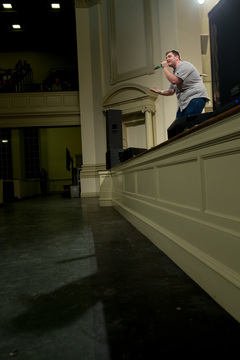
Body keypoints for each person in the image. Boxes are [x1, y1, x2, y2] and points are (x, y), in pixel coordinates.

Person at [150, 50, 209, 118]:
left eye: (169, 56)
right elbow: (171, 91)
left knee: (187, 124)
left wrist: (165, 67)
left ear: (177, 57)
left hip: (195, 98)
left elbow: (174, 81)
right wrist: (160, 92)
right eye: (166, 58)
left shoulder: (184, 65)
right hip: (185, 103)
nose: (167, 59)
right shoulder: (175, 73)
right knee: (177, 126)